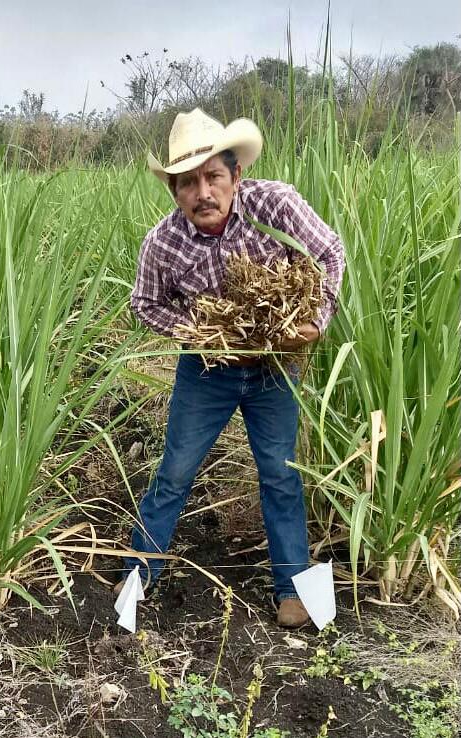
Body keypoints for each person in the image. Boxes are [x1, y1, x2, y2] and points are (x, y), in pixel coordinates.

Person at [119, 109, 345, 628]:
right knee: (175, 471)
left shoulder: (276, 205)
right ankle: (140, 571)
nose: (203, 192)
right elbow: (145, 304)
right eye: (188, 183)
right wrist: (201, 334)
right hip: (207, 371)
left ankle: (291, 588)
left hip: (275, 366)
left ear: (235, 176)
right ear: (174, 191)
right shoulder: (163, 243)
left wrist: (314, 319)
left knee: (280, 474)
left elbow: (330, 252)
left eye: (213, 177)